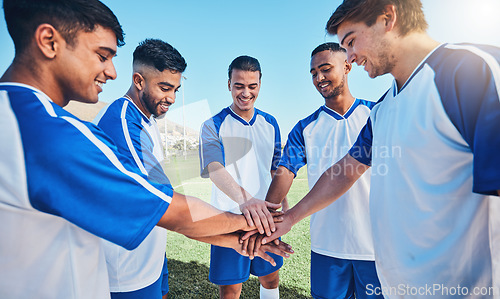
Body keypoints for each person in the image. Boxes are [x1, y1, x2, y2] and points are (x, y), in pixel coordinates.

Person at [0, 1, 292, 298]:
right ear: (49, 42)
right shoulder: (56, 129)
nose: (112, 72)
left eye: (176, 89)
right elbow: (167, 209)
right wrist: (250, 225)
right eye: (102, 55)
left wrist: (236, 236)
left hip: (147, 259)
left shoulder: (143, 121)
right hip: (126, 273)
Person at [257, 0, 500, 297]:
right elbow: (343, 174)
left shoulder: (472, 71)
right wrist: (289, 218)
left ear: (388, 17)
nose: (351, 55)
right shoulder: (383, 110)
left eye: (351, 41)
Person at [263, 42, 382, 299]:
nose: (319, 78)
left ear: (347, 67)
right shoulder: (305, 127)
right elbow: (285, 172)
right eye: (314, 73)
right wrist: (268, 224)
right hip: (327, 247)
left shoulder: (377, 114)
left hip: (376, 247)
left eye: (325, 69)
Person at [93, 39, 185, 299]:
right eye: (165, 88)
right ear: (139, 80)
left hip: (151, 255)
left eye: (176, 89)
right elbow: (155, 201)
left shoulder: (148, 117)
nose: (172, 98)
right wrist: (231, 228)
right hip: (126, 270)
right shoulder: (122, 121)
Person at [199, 55, 283, 299]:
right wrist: (245, 200)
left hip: (266, 221)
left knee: (271, 277)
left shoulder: (271, 123)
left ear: (259, 86)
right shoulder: (213, 124)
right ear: (229, 85)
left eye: (252, 86)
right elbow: (214, 167)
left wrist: (283, 210)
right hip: (229, 220)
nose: (245, 92)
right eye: (239, 85)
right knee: (231, 289)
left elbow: (276, 170)